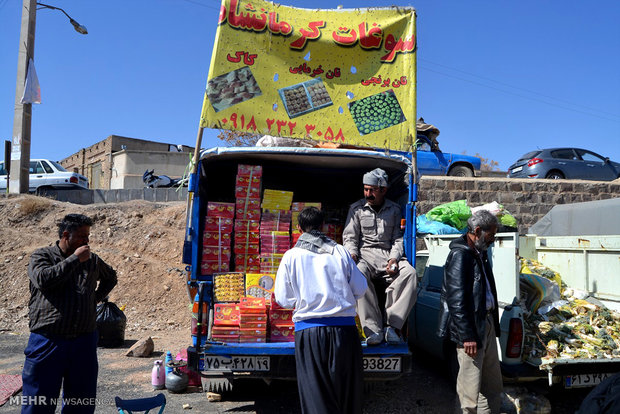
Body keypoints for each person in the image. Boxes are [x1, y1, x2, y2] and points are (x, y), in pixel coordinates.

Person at [21, 214, 118, 414]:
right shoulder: (42, 256)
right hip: (48, 341)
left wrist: (95, 298)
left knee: (81, 403)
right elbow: (43, 279)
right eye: (82, 236)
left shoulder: (92, 260)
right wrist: (74, 260)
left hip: (83, 342)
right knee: (38, 402)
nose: (87, 241)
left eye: (88, 235)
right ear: (66, 235)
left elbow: (111, 277)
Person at [275, 207, 367, 414]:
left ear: (299, 229)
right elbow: (360, 288)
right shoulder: (340, 251)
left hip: (309, 332)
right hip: (344, 332)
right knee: (346, 394)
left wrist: (304, 300)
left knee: (316, 395)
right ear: (323, 226)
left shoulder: (291, 256)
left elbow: (283, 299)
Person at [437, 210, 502, 414]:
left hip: (486, 323)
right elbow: (456, 300)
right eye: (491, 235)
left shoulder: (478, 253)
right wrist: (467, 336)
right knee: (469, 394)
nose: (493, 240)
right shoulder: (460, 255)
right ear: (477, 231)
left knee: (491, 388)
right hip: (472, 331)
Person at [343, 168, 417, 345]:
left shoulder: (394, 209)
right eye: (366, 189)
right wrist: (352, 254)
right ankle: (372, 330)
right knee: (358, 275)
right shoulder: (356, 209)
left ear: (383, 190)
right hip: (364, 256)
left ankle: (393, 326)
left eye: (372, 190)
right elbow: (350, 237)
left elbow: (398, 238)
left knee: (411, 274)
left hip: (387, 255)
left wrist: (394, 258)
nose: (368, 193)